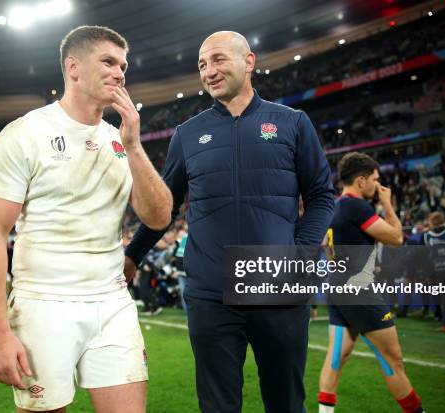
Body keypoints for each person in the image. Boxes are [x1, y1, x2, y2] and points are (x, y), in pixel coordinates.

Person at [125, 31, 334, 412]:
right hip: (211, 293)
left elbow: (321, 195)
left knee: (286, 403)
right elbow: (163, 208)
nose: (209, 71)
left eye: (218, 59)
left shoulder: (292, 123)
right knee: (217, 406)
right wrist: (133, 254)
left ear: (249, 62)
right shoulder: (187, 135)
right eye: (202, 65)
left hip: (278, 288)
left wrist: (300, 252)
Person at [0, 25, 172, 413]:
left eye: (123, 66)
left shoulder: (119, 139)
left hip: (112, 301)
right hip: (43, 304)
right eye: (109, 62)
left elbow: (159, 215)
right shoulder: (26, 134)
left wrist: (133, 144)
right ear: (73, 67)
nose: (120, 73)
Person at [318, 152, 425, 413]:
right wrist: (388, 203)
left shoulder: (334, 207)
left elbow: (325, 245)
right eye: (376, 180)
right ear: (361, 180)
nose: (379, 186)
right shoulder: (356, 206)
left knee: (335, 359)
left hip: (337, 289)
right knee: (393, 360)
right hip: (360, 292)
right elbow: (397, 238)